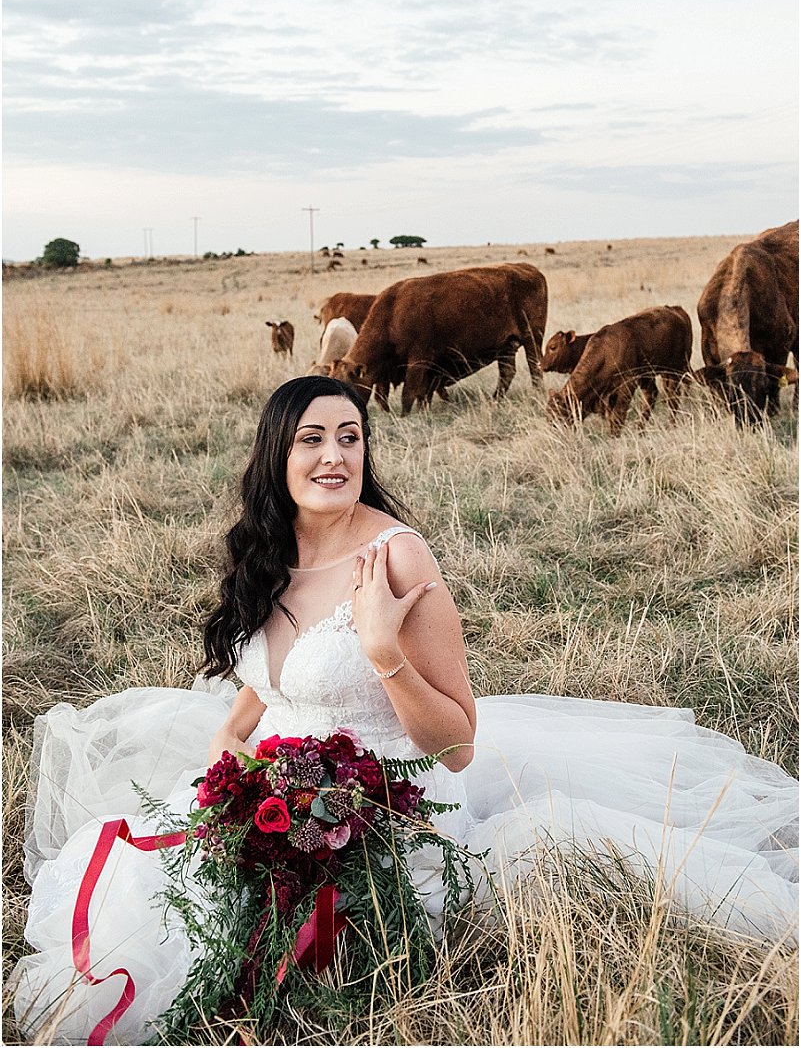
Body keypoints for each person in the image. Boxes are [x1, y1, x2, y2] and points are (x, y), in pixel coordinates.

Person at [12, 376, 799, 1046]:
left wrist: (384, 651)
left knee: (294, 947)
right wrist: (228, 766)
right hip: (270, 788)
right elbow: (269, 688)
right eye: (313, 439)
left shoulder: (396, 556)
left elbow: (456, 743)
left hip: (390, 800)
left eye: (350, 437)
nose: (334, 456)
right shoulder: (267, 552)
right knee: (155, 902)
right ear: (275, 455)